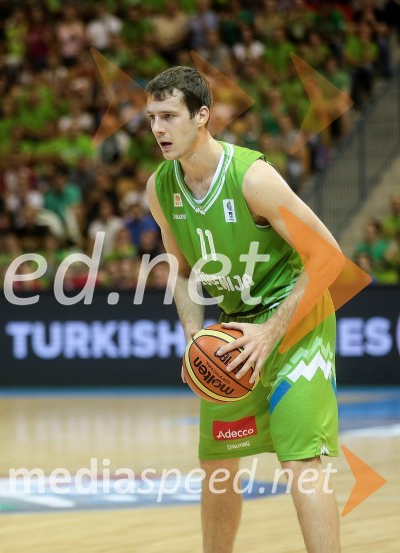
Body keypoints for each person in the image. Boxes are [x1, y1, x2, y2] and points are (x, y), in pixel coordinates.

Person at [144, 67, 340, 553]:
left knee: (300, 462)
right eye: (151, 118)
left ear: (202, 116)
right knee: (216, 465)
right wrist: (194, 336)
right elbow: (182, 271)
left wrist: (271, 333)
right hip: (235, 329)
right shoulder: (160, 189)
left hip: (296, 318)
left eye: (169, 116)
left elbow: (328, 256)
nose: (158, 129)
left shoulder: (253, 177)